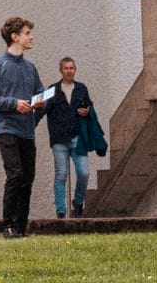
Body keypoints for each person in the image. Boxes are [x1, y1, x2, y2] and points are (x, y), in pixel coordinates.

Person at [0, 15, 44, 236]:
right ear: (15, 37)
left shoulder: (31, 68)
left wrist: (38, 105)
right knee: (15, 174)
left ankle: (20, 228)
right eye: (27, 33)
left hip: (27, 131)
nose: (31, 36)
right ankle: (8, 225)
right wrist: (14, 104)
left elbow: (40, 96)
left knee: (27, 178)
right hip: (6, 129)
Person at [41, 54, 99, 218]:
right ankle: (61, 211)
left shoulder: (82, 88)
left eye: (71, 68)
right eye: (66, 68)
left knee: (84, 173)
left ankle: (78, 202)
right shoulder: (52, 89)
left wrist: (87, 110)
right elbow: (40, 107)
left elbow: (89, 106)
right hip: (59, 139)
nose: (69, 71)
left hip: (78, 138)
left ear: (75, 70)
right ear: (60, 70)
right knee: (61, 175)